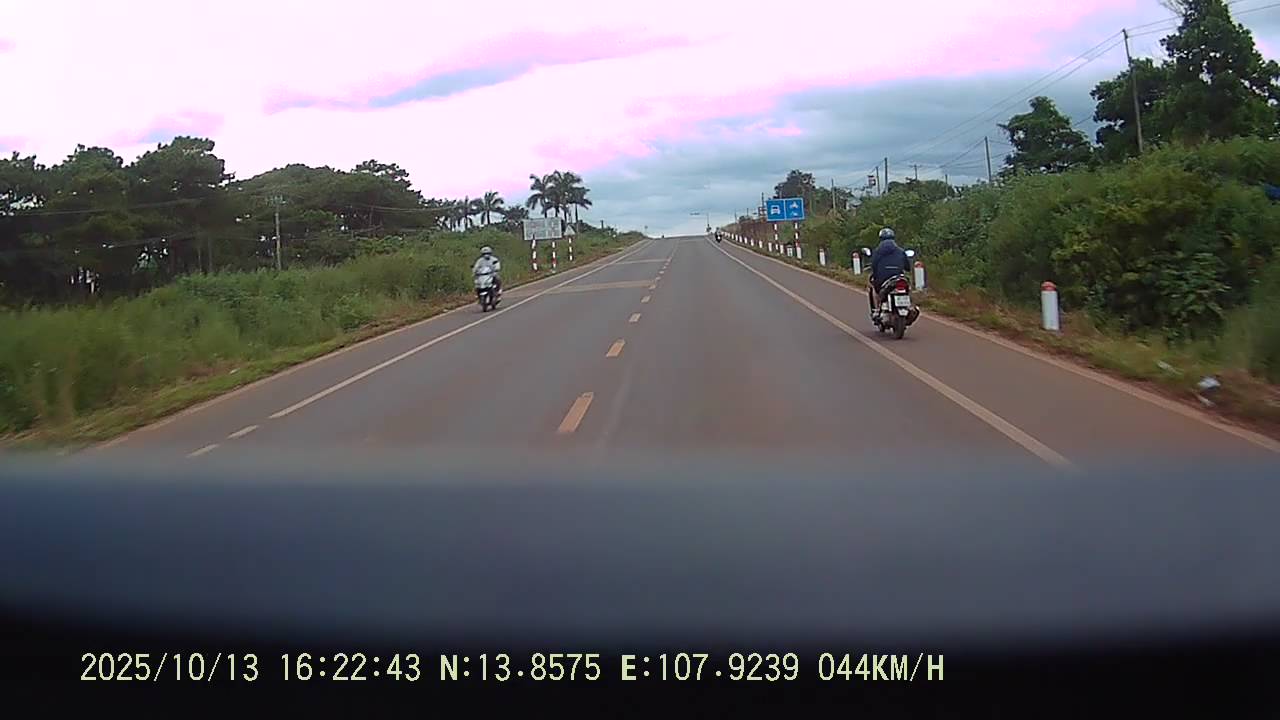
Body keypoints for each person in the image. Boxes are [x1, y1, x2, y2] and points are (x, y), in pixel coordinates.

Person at [868, 227, 907, 317]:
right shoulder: (900, 251)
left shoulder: (877, 251)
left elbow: (874, 266)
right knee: (907, 286)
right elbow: (907, 266)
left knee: (874, 289)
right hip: (898, 277)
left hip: (883, 279)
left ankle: (877, 309)